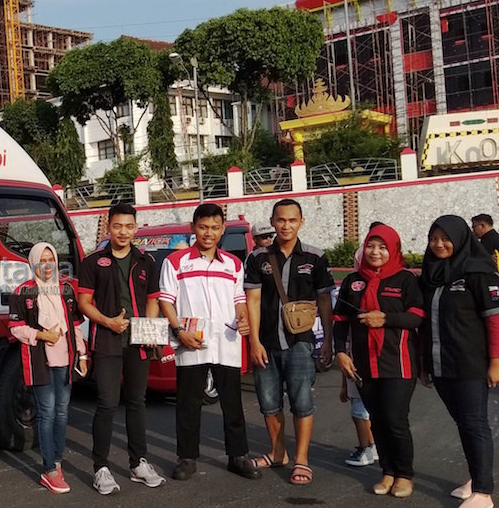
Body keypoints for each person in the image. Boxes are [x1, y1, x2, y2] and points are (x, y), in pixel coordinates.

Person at [158, 203, 261, 481]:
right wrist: (178, 331)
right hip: (191, 342)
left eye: (215, 227)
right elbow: (166, 300)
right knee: (188, 404)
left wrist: (242, 317)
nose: (209, 233)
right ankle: (187, 458)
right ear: (193, 227)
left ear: (223, 229)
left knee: (232, 403)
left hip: (226, 341)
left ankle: (238, 456)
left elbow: (239, 299)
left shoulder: (233, 264)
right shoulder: (176, 262)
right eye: (203, 227)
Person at [244, 198, 334, 485]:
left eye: (292, 220)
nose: (286, 225)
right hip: (267, 342)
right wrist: (254, 341)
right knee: (268, 402)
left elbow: (324, 300)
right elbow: (253, 300)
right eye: (281, 220)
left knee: (302, 401)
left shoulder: (315, 257)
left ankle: (302, 459)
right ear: (273, 222)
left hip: (301, 342)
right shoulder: (258, 258)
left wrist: (328, 340)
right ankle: (278, 452)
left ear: (301, 222)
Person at [78, 203, 166, 494]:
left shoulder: (146, 261)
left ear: (136, 228)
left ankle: (138, 463)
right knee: (107, 403)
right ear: (108, 227)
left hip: (138, 342)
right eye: (117, 226)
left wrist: (150, 329)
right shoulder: (93, 262)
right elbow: (84, 303)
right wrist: (108, 322)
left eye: (129, 226)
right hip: (107, 340)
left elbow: (152, 299)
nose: (123, 232)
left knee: (137, 401)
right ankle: (101, 468)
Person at [333, 225, 423, 497]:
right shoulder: (353, 281)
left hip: (398, 361)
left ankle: (404, 474)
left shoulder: (405, 279)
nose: (375, 252)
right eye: (371, 246)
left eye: (383, 247)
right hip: (364, 362)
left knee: (395, 419)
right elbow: (340, 320)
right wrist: (340, 351)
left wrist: (385, 319)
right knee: (378, 420)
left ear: (393, 249)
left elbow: (417, 316)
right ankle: (388, 471)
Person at [420, 215, 499, 508]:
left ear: (461, 238)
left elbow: (494, 320)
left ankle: (483, 491)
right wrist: (424, 362)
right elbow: (425, 324)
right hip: (441, 363)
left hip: (470, 363)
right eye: (433, 238)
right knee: (463, 422)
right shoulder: (431, 274)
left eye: (446, 238)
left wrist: (496, 362)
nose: (439, 244)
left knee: (474, 423)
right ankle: (476, 477)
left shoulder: (479, 273)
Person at [9, 242, 88, 494]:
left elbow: (75, 325)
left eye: (50, 260)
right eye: (41, 261)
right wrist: (42, 335)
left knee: (62, 412)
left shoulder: (65, 290)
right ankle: (49, 469)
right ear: (33, 263)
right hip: (39, 361)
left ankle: (57, 461)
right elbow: (15, 328)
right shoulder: (23, 292)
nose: (46, 266)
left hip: (65, 359)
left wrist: (82, 355)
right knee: (47, 412)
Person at [340, 221, 386, 468]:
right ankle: (375, 446)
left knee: (360, 403)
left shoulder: (361, 273)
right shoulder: (359, 278)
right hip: (368, 347)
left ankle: (367, 447)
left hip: (360, 345)